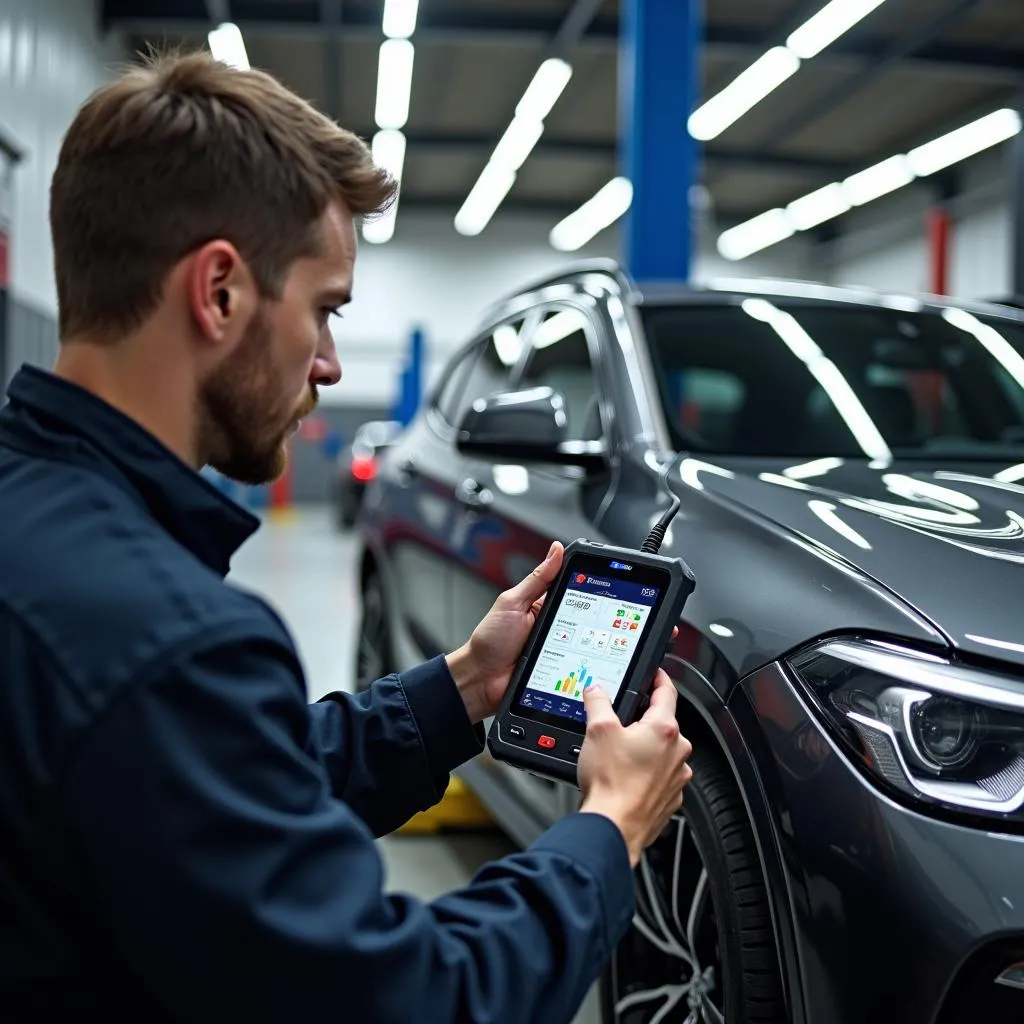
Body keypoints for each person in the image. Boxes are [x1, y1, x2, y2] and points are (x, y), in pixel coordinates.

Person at [0, 52, 693, 1023]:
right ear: (220, 292)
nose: (329, 364)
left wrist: (459, 688)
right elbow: (408, 1001)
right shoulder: (168, 638)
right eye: (324, 309)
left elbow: (214, 798)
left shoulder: (42, 528)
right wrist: (607, 831)